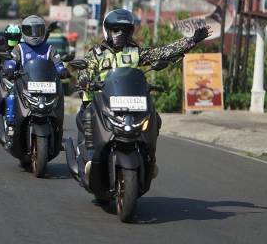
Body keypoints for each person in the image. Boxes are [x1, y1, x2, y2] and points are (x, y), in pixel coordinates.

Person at [77, 9, 211, 180]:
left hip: (131, 103)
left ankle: (149, 159)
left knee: (155, 118)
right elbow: (84, 72)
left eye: (124, 30)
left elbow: (164, 52)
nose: (120, 34)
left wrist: (192, 40)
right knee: (87, 116)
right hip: (103, 102)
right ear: (107, 30)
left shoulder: (135, 52)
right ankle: (90, 158)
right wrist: (85, 81)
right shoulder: (95, 54)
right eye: (116, 29)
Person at [2, 15, 68, 142]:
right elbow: (11, 61)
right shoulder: (19, 48)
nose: (34, 35)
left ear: (43, 31)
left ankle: (58, 128)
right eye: (30, 30)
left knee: (60, 96)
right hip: (25, 86)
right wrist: (9, 68)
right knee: (10, 95)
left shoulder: (49, 49)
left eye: (37, 30)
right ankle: (11, 125)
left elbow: (58, 64)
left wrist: (62, 71)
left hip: (47, 87)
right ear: (24, 31)